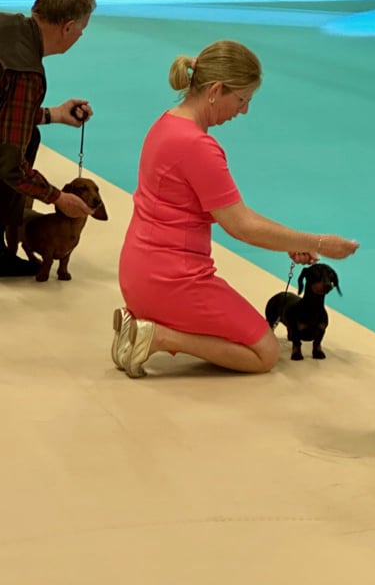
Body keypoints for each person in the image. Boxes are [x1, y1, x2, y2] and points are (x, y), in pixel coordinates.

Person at [112, 40, 359, 378]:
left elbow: (235, 213)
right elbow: (241, 225)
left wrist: (290, 242)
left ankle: (141, 322)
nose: (243, 111)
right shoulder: (198, 145)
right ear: (215, 90)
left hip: (138, 273)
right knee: (264, 352)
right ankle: (158, 336)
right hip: (172, 281)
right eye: (242, 99)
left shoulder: (166, 124)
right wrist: (319, 243)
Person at [0, 0, 96, 277]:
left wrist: (54, 114)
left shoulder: (9, 27)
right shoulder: (26, 72)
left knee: (31, 134)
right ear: (67, 27)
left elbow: (5, 114)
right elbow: (9, 165)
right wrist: (57, 198)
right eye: (82, 29)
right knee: (24, 145)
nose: (81, 35)